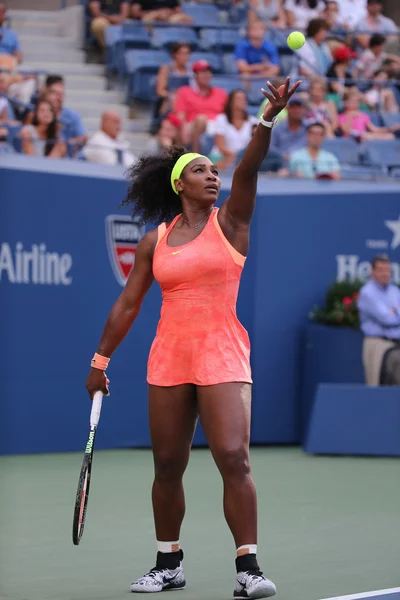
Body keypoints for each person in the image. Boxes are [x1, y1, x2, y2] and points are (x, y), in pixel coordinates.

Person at [85, 76, 301, 599]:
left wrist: (266, 121)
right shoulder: (154, 241)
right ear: (180, 183)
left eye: (213, 169)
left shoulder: (231, 223)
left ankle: (248, 569)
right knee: (166, 464)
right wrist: (100, 360)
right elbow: (129, 303)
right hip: (169, 357)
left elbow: (248, 167)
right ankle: (168, 561)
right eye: (201, 170)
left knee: (233, 455)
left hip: (222, 352)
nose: (214, 176)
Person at [357, 255, 400, 386]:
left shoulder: (394, 290)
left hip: (397, 345)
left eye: (388, 270)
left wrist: (393, 313)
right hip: (377, 344)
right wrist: (392, 313)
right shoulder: (367, 292)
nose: (385, 274)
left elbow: (392, 316)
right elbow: (386, 319)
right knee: (376, 385)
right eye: (381, 270)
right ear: (372, 271)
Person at [174, 59, 228, 151]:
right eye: (202, 73)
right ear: (195, 76)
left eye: (208, 72)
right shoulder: (184, 92)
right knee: (201, 119)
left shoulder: (221, 93)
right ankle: (197, 156)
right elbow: (180, 115)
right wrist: (183, 129)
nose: (206, 75)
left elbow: (228, 114)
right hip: (192, 126)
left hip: (217, 126)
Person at [209, 89, 258, 171]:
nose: (243, 101)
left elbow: (255, 145)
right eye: (239, 99)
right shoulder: (221, 119)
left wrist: (242, 157)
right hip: (222, 157)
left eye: (244, 99)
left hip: (244, 159)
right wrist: (236, 156)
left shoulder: (253, 121)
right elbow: (220, 146)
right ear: (231, 103)